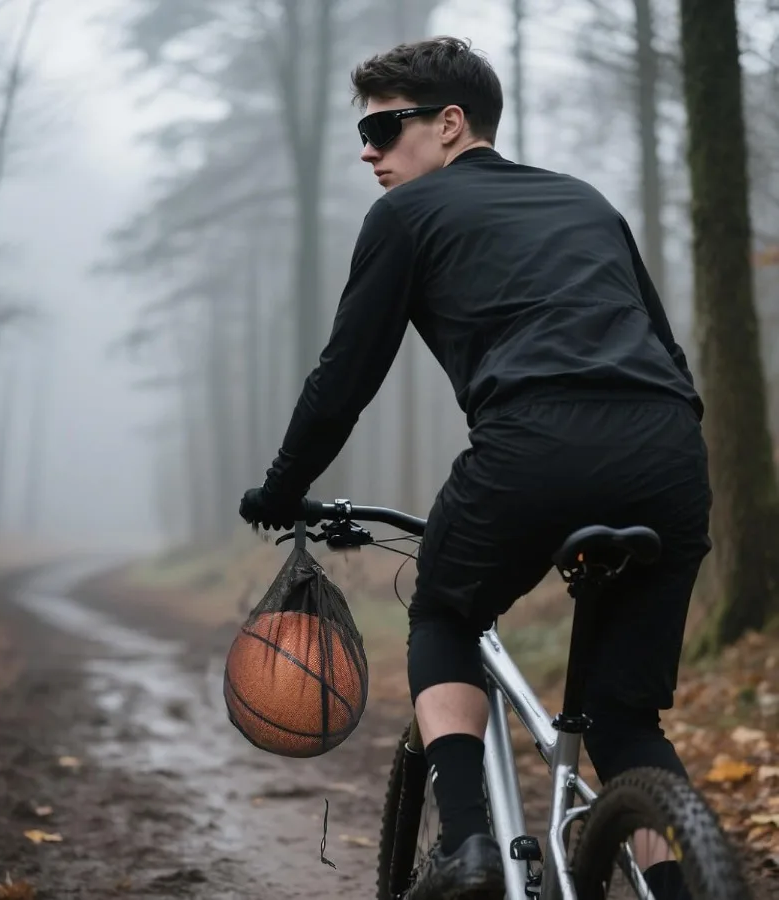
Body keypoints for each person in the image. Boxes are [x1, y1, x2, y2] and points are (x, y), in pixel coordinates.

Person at [239, 36, 709, 900]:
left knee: (445, 612)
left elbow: (343, 381)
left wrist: (280, 490)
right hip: (669, 452)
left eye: (383, 129)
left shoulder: (406, 216)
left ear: (451, 123)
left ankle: (467, 847)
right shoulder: (587, 200)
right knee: (624, 718)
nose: (368, 152)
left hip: (534, 443)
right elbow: (670, 357)